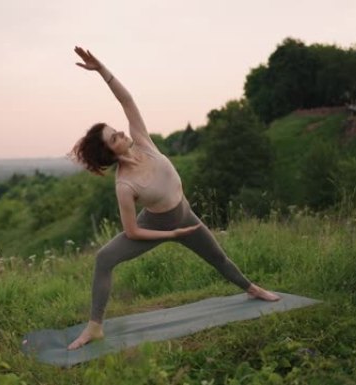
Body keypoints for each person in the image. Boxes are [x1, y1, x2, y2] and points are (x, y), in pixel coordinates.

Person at [67, 47, 280, 350]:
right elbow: (131, 232)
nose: (121, 134)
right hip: (157, 224)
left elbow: (126, 100)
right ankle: (94, 327)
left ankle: (252, 289)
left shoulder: (141, 140)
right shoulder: (124, 185)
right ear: (110, 152)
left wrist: (102, 70)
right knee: (104, 259)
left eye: (116, 131)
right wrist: (172, 234)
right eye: (115, 137)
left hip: (185, 214)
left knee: (217, 257)